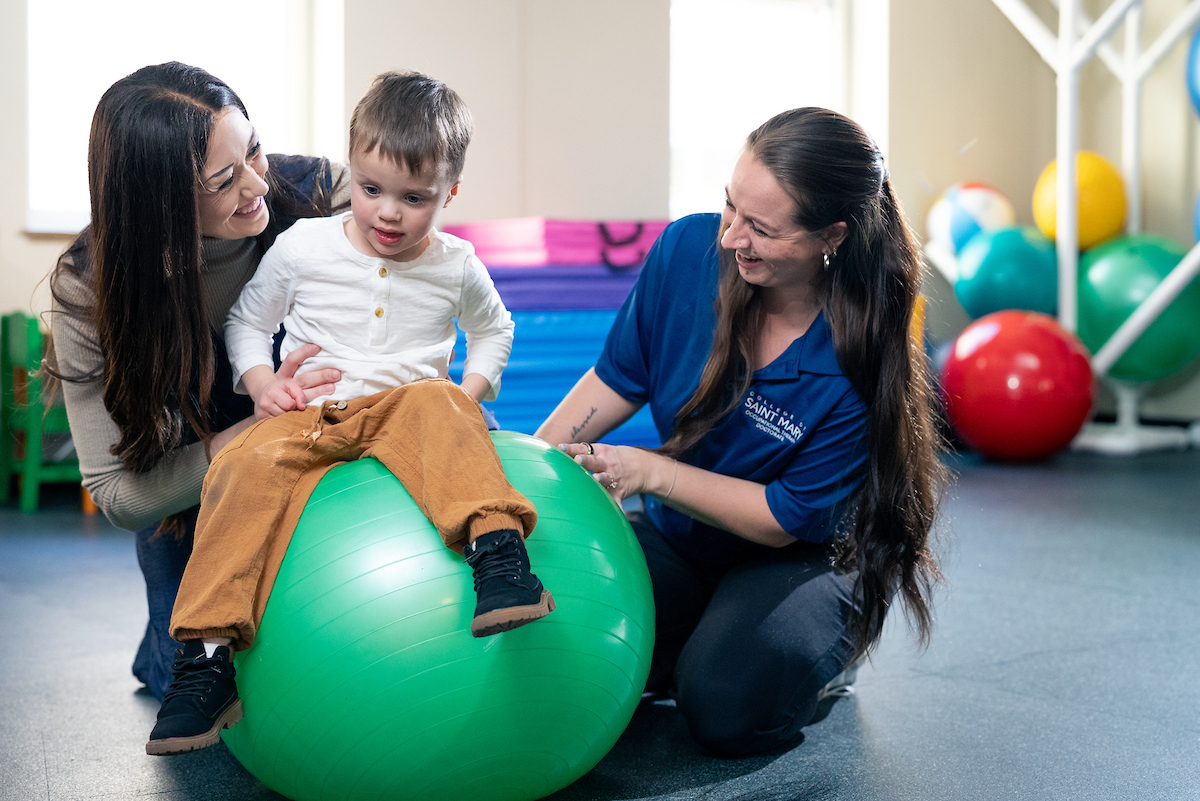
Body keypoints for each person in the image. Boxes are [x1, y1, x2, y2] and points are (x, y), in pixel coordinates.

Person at [145, 70, 552, 756]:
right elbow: (248, 319)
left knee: (437, 400)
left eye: (414, 198)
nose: (388, 213)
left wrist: (472, 391)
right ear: (353, 174)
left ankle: (499, 556)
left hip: (406, 407)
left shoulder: (456, 263)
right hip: (313, 412)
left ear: (449, 193)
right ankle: (209, 657)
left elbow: (495, 328)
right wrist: (261, 383)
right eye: (371, 190)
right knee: (241, 462)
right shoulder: (304, 246)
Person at [535, 107, 945, 758]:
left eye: (761, 228)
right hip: (687, 539)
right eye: (730, 207)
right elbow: (618, 377)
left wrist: (649, 471)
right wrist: (532, 460)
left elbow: (782, 518)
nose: (732, 238)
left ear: (829, 237)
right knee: (564, 640)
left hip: (800, 558)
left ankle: (822, 651)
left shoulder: (858, 356)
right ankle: (705, 628)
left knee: (723, 705)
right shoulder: (686, 252)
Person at [47, 62, 350, 703]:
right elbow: (118, 493)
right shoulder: (90, 286)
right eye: (222, 179)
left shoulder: (323, 193)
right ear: (159, 202)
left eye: (255, 149)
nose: (258, 183)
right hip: (202, 490)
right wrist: (251, 433)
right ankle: (159, 643)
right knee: (197, 677)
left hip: (336, 453)